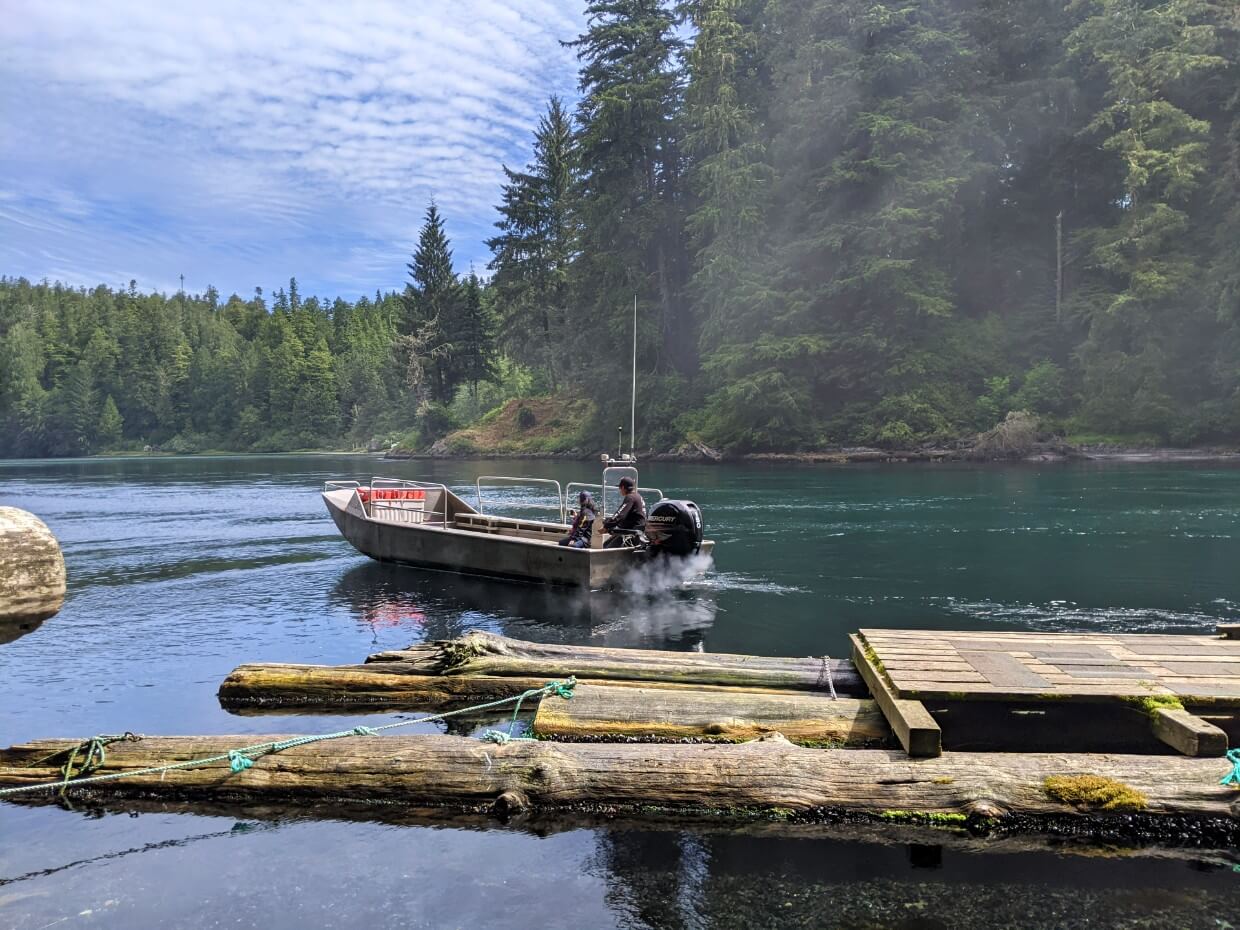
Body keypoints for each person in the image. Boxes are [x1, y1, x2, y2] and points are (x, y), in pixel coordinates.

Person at [603, 476, 645, 547]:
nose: (619, 490)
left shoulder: (630, 497)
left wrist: (606, 526)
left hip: (633, 532)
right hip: (638, 529)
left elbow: (620, 515)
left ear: (623, 487)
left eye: (619, 488)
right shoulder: (637, 496)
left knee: (607, 546)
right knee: (606, 543)